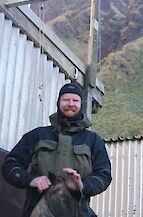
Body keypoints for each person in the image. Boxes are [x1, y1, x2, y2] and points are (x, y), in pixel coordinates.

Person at [1, 83, 112, 217]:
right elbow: (11, 163)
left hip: (78, 212)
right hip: (36, 212)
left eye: (75, 100)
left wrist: (82, 186)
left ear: (80, 105)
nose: (71, 104)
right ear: (58, 102)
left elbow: (104, 174)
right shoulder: (37, 135)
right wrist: (30, 180)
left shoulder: (93, 140)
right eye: (66, 100)